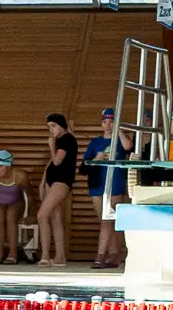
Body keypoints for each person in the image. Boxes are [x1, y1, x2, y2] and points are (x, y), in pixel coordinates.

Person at [84, 108, 131, 269]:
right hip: (98, 185)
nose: (108, 125)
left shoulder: (119, 139)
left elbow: (128, 146)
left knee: (108, 221)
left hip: (115, 184)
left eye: (111, 122)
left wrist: (119, 130)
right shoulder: (95, 142)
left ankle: (100, 256)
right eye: (105, 122)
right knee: (106, 222)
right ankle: (114, 255)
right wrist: (97, 158)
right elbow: (85, 164)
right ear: (101, 124)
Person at [40, 112, 78, 266]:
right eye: (49, 127)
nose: (51, 130)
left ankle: (45, 255)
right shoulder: (61, 140)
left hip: (61, 181)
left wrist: (51, 146)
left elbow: (56, 161)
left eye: (53, 126)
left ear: (62, 125)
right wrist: (43, 180)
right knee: (55, 218)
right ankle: (60, 257)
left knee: (42, 215)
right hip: (52, 180)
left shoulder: (66, 139)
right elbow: (51, 164)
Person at [0, 148, 28, 262]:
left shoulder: (20, 175)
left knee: (11, 214)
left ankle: (13, 254)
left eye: (0, 166)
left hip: (16, 203)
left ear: (9, 166)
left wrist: (31, 214)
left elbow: (30, 196)